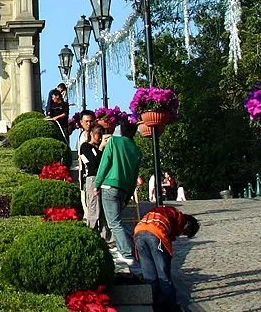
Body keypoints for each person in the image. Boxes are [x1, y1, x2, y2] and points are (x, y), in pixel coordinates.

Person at [96, 118, 143, 269]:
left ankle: (127, 253)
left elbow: (105, 163)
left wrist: (97, 184)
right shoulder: (136, 150)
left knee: (114, 222)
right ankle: (121, 248)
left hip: (109, 184)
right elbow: (134, 176)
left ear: (121, 129)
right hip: (124, 188)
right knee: (117, 220)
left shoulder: (114, 142)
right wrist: (128, 195)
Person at [133, 206, 200, 312]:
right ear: (187, 226)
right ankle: (172, 307)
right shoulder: (180, 219)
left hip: (139, 232)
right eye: (184, 233)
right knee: (164, 277)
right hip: (156, 233)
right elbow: (171, 235)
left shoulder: (168, 211)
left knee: (150, 277)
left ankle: (153, 306)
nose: (180, 235)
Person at [80, 124, 110, 243]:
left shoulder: (100, 148)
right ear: (92, 134)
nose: (100, 137)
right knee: (94, 208)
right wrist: (101, 148)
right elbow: (93, 163)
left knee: (104, 209)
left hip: (104, 179)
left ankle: (106, 238)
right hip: (92, 178)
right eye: (98, 134)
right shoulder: (85, 147)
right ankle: (91, 235)